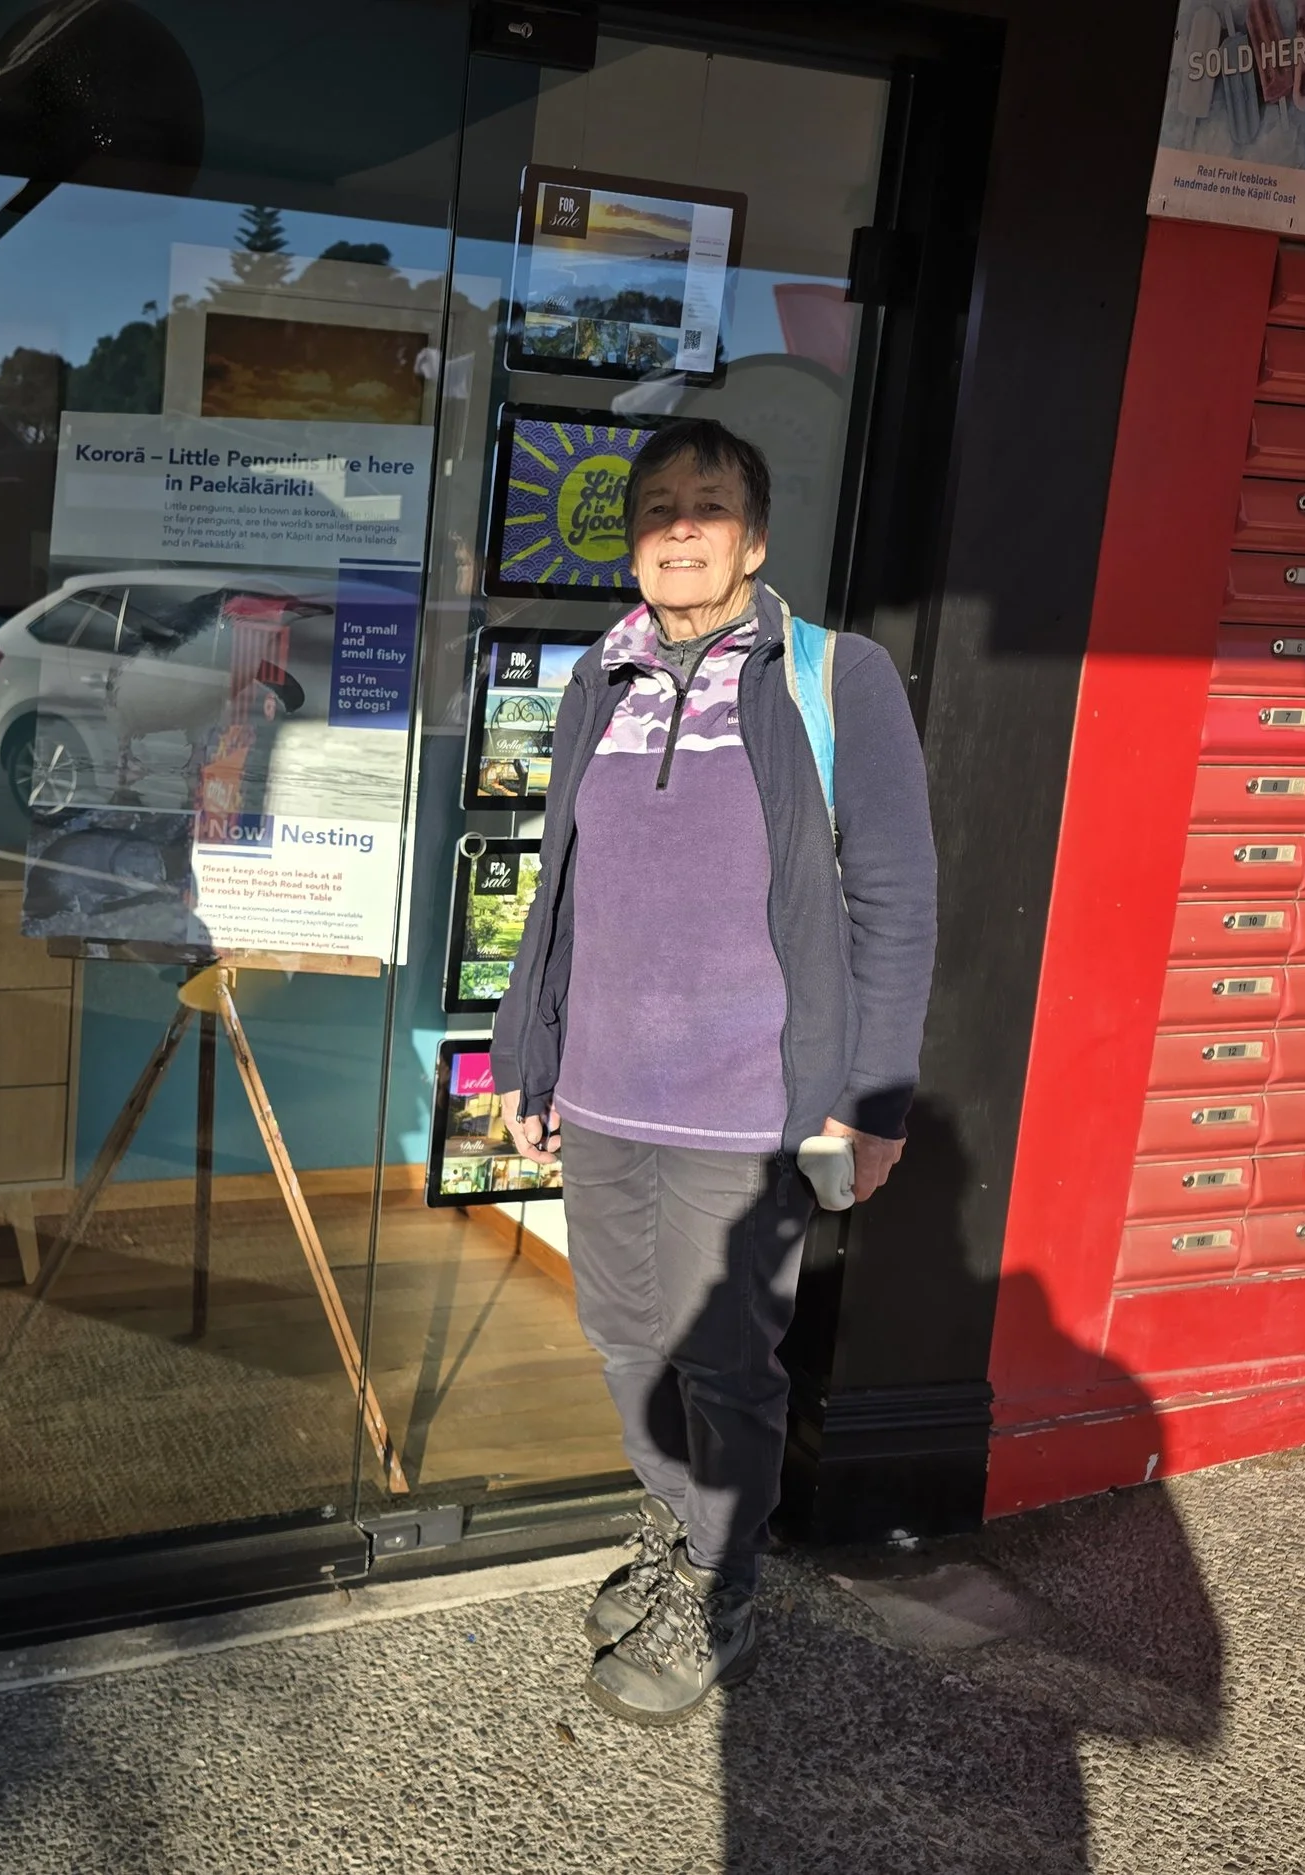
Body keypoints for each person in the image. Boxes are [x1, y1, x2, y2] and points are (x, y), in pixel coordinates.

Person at [488, 417, 936, 1725]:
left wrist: (876, 1097)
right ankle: (677, 1530)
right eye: (659, 506)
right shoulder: (601, 678)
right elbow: (561, 890)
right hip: (607, 1094)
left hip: (746, 1106)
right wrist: (532, 1055)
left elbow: (895, 900)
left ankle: (717, 1579)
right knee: (626, 1338)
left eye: (710, 504)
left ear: (755, 536)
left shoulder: (832, 676)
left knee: (728, 1360)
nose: (681, 526)